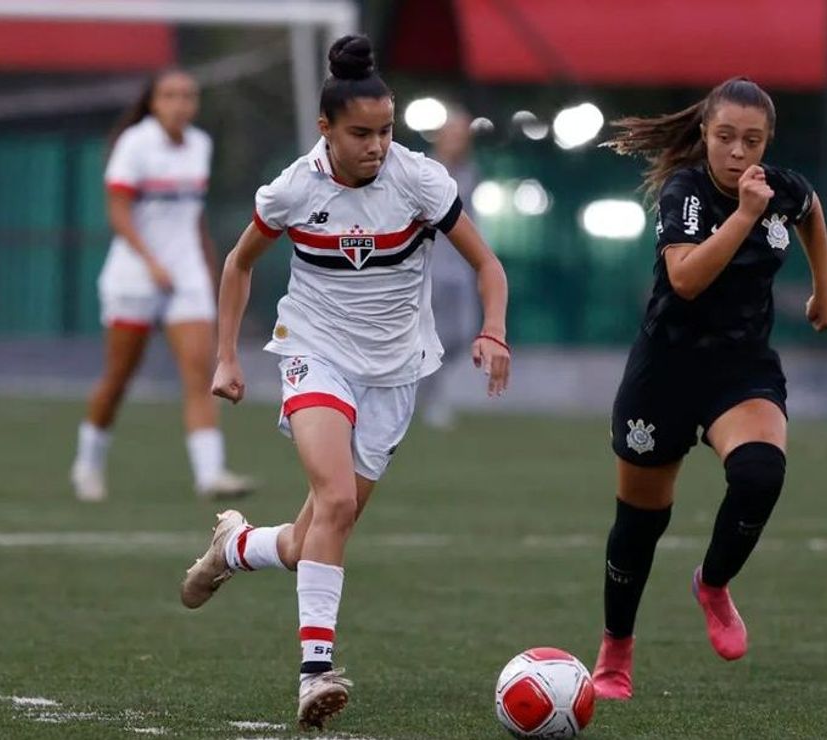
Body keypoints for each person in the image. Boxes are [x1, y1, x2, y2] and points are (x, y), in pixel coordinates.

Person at [178, 35, 510, 730]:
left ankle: (234, 547)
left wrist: (493, 329)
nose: (377, 146)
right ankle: (315, 671)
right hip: (315, 354)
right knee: (332, 500)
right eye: (361, 133)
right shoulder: (294, 188)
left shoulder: (419, 180)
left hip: (395, 374)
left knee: (317, 533)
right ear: (325, 129)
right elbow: (238, 265)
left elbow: (488, 267)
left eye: (386, 131)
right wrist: (228, 357)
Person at [590, 77, 827, 700]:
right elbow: (685, 280)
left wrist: (824, 287)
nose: (737, 152)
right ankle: (616, 650)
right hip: (666, 372)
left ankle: (713, 583)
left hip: (740, 369)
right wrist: (745, 216)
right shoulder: (688, 193)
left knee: (760, 476)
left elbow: (810, 211)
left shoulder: (779, 188)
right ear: (704, 133)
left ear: (767, 142)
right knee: (639, 524)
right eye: (725, 137)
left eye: (751, 141)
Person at [70, 69, 254, 502]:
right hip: (135, 276)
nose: (180, 104)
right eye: (170, 95)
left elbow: (192, 218)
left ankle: (211, 474)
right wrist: (151, 262)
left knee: (199, 374)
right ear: (153, 102)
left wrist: (209, 270)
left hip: (185, 276)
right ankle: (88, 463)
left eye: (188, 95)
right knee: (119, 376)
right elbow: (118, 212)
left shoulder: (199, 145)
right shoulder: (135, 144)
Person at [420, 107, 482, 428]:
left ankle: (424, 386)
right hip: (429, 268)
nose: (458, 140)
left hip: (461, 269)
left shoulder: (470, 172)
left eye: (463, 134)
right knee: (425, 335)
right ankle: (431, 399)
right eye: (453, 133)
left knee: (460, 335)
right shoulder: (426, 171)